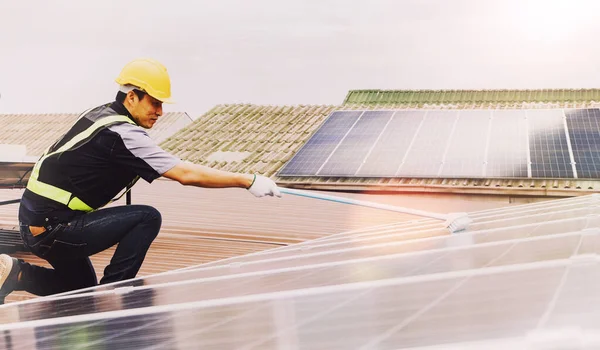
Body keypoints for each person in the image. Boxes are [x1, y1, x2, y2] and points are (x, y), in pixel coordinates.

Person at [0, 58, 281, 304]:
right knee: (147, 217)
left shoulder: (102, 115)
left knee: (78, 289)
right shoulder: (122, 134)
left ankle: (14, 272)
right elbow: (185, 174)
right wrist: (248, 180)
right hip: (52, 228)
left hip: (38, 222)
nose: (160, 112)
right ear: (131, 97)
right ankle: (113, 294)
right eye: (155, 103)